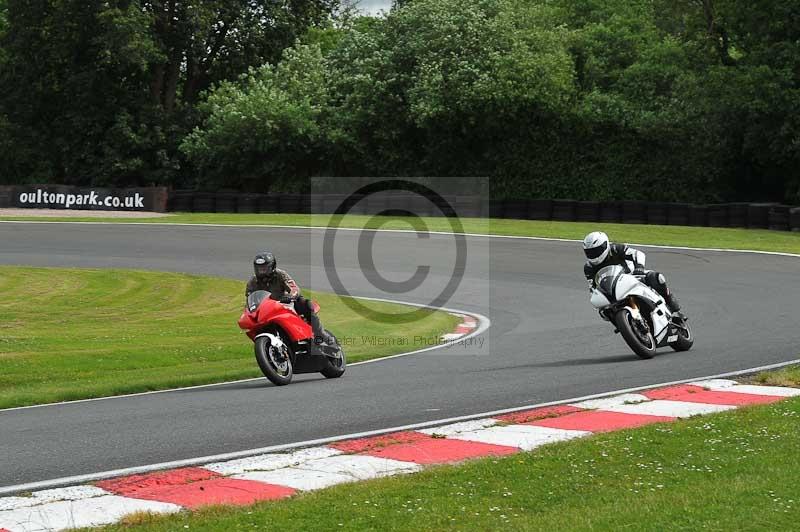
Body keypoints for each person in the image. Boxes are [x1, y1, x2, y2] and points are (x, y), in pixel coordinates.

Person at [582, 231, 684, 318]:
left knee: (657, 278)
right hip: (613, 290)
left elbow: (637, 253)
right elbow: (592, 288)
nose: (593, 255)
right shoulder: (589, 268)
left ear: (605, 246)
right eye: (590, 252)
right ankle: (627, 326)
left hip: (633, 277)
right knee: (605, 312)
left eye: (596, 251)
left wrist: (639, 267)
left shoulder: (615, 249)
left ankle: (674, 307)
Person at [245, 251, 334, 344]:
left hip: (284, 304)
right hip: (267, 310)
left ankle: (321, 334)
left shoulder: (280, 274)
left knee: (306, 304)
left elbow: (294, 287)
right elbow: (249, 298)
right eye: (259, 268)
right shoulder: (253, 282)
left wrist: (291, 296)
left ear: (272, 267)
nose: (262, 271)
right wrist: (250, 311)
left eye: (264, 268)